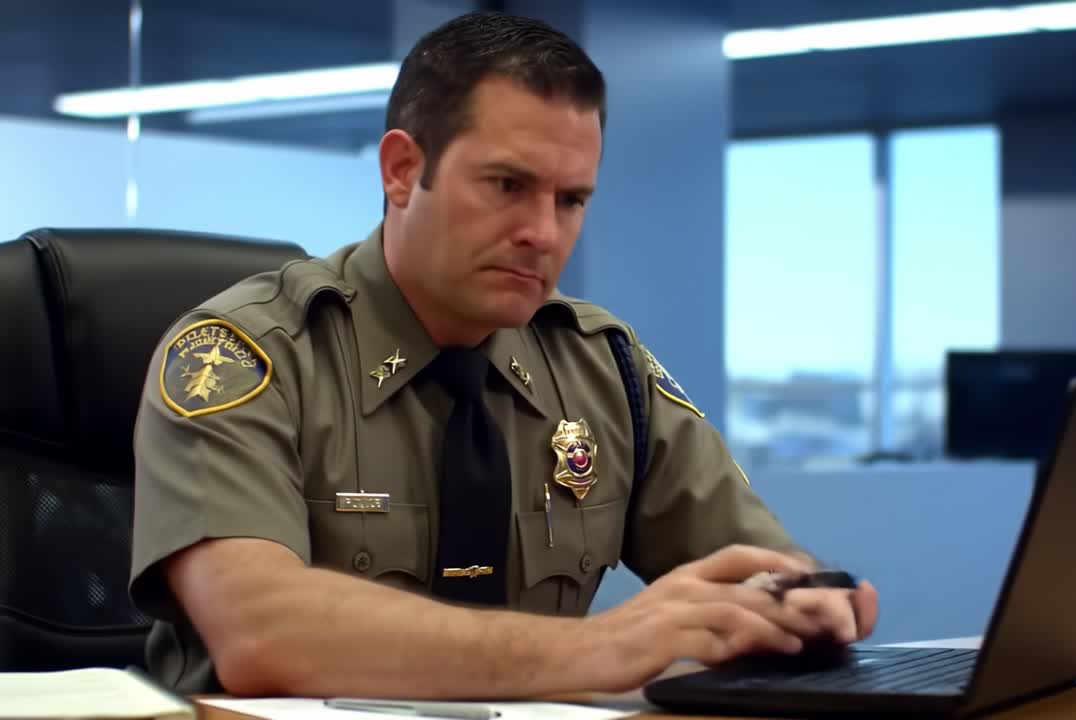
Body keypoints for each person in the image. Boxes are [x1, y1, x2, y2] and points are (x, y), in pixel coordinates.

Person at [128, 11, 878, 699]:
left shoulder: (602, 369)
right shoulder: (244, 358)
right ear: (400, 171)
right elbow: (262, 634)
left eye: (571, 199)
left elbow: (757, 567)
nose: (544, 234)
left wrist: (807, 598)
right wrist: (605, 645)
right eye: (507, 185)